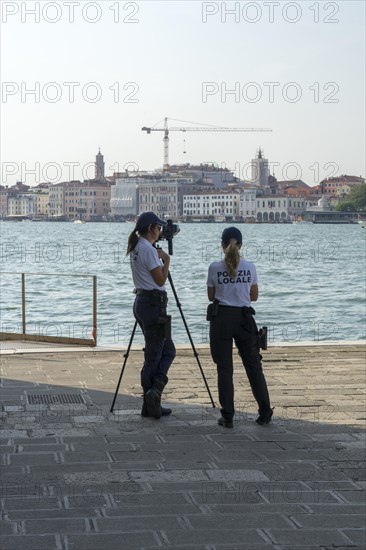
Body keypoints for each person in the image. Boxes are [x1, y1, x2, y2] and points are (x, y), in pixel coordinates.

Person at [207, 227, 273, 428]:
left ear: (222, 245)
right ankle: (264, 412)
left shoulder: (214, 267)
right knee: (254, 367)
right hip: (244, 319)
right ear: (242, 245)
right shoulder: (250, 267)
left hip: (222, 320)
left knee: (224, 369)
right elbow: (254, 297)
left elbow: (211, 297)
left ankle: (227, 416)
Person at [126, 211, 176, 419]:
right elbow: (160, 281)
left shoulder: (138, 246)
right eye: (158, 227)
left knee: (161, 351)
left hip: (143, 302)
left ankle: (152, 401)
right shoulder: (147, 249)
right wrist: (167, 261)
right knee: (156, 355)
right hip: (153, 304)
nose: (161, 231)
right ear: (150, 228)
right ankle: (152, 396)